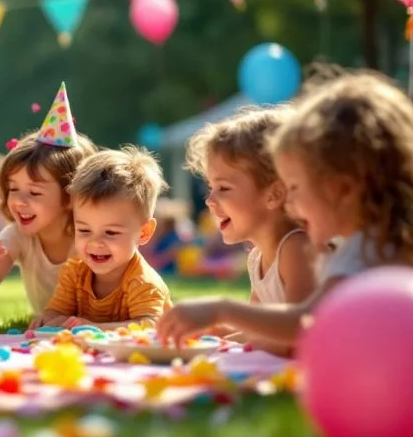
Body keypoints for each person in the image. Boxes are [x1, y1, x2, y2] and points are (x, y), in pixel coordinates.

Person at [158, 71, 413, 350]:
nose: (289, 202)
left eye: (295, 187)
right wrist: (216, 336)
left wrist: (222, 310)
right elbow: (265, 326)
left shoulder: (362, 252)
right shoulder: (366, 245)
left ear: (341, 189)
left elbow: (304, 327)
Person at [0, 84, 98, 324]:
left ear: (70, 196)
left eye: (35, 193)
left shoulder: (92, 237)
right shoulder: (17, 236)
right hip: (50, 331)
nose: (19, 200)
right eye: (13, 189)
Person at [184, 106, 317, 305]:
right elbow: (256, 326)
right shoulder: (257, 257)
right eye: (211, 187)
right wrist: (203, 329)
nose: (209, 200)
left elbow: (299, 327)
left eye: (224, 188)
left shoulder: (296, 250)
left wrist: (222, 311)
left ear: (274, 194)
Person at [36, 146, 173, 330]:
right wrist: (47, 321)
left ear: (144, 232)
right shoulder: (74, 272)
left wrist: (95, 327)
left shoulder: (143, 283)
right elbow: (57, 311)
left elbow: (149, 326)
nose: (95, 243)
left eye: (111, 233)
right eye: (84, 230)